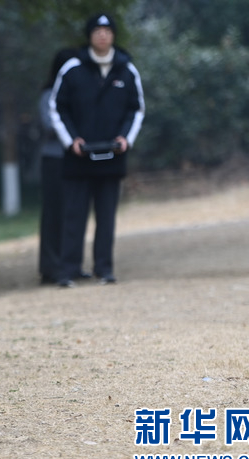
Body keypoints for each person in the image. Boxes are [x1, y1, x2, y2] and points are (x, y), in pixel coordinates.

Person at [49, 13, 145, 287]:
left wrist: (126, 138)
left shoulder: (127, 70)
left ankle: (104, 268)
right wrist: (71, 140)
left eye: (107, 30)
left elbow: (136, 109)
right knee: (74, 216)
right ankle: (68, 270)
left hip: (112, 157)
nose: (102, 35)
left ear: (113, 35)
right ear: (89, 35)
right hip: (79, 158)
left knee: (106, 217)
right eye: (97, 31)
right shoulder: (72, 69)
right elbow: (57, 107)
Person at [38, 48, 78, 284]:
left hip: (76, 160)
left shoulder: (77, 92)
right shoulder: (49, 95)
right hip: (54, 159)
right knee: (54, 214)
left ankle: (71, 265)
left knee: (73, 214)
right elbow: (49, 125)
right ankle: (51, 268)